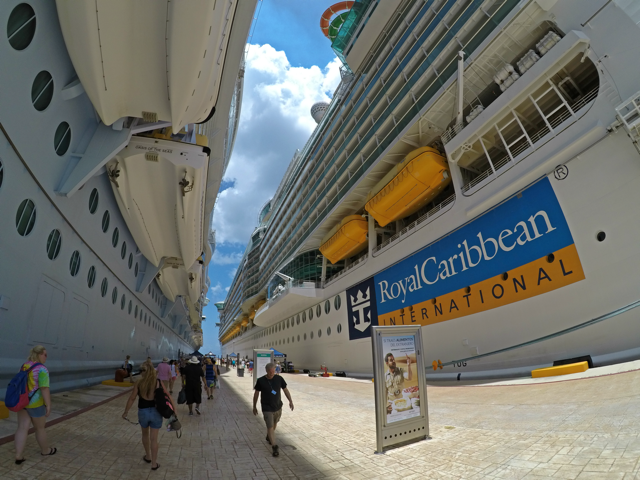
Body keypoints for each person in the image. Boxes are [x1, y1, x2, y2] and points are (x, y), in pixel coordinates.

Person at [122, 360, 176, 471]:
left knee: (145, 435)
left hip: (143, 412)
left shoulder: (139, 382)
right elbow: (167, 396)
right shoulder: (158, 382)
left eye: (141, 370)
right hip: (156, 413)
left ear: (144, 371)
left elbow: (132, 398)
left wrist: (126, 411)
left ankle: (148, 456)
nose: (140, 372)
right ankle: (154, 464)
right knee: (154, 439)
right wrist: (174, 409)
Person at [14, 345, 56, 464]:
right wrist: (48, 405)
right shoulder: (42, 369)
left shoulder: (24, 366)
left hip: (22, 402)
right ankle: (45, 450)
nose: (46, 357)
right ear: (39, 354)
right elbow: (44, 388)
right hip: (36, 404)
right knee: (40, 428)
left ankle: (18, 455)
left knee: (22, 428)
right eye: (45, 355)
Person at [253, 363, 294, 457]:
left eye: (273, 372)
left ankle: (269, 436)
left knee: (275, 424)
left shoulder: (279, 379)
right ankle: (274, 446)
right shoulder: (261, 380)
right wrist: (254, 406)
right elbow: (256, 394)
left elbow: (285, 390)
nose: (272, 374)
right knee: (270, 426)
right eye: (270, 372)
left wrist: (290, 401)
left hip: (278, 407)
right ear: (266, 371)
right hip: (266, 407)